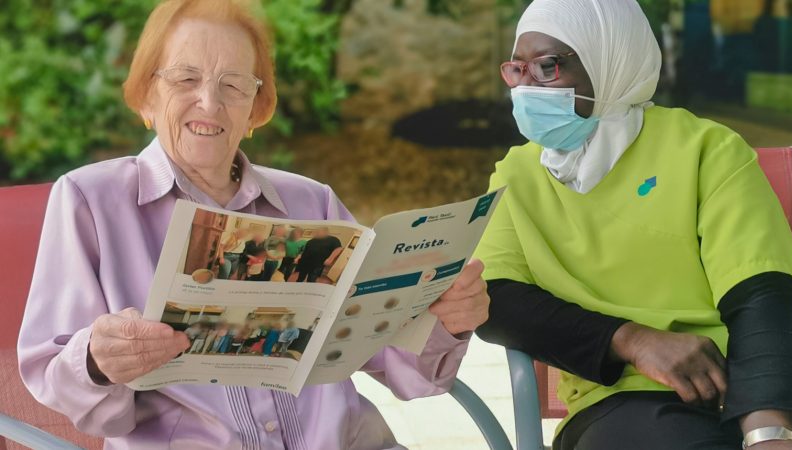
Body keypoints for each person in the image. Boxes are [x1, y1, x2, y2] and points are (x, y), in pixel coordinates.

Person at [17, 1, 491, 448]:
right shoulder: (90, 200)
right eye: (185, 78)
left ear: (255, 109)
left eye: (234, 85)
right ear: (146, 96)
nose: (209, 102)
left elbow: (395, 359)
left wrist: (445, 321)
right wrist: (97, 361)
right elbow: (53, 375)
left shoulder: (313, 201)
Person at [473, 1, 792, 450]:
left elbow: (759, 293)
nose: (526, 88)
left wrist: (768, 430)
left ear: (611, 62)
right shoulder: (517, 175)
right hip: (625, 401)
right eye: (517, 70)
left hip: (758, 383)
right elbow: (495, 299)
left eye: (547, 67)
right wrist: (631, 340)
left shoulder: (705, 149)